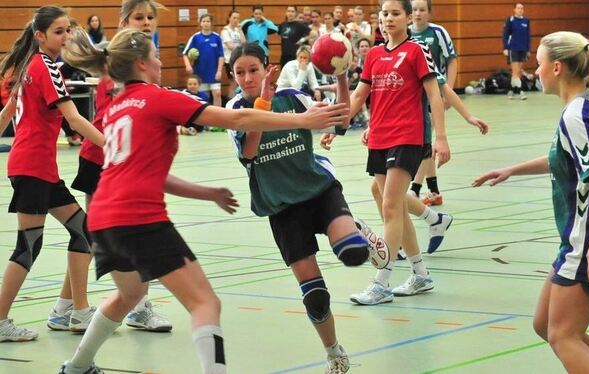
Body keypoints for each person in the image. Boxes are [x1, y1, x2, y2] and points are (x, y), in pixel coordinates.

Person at [57, 27, 349, 374]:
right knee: (205, 304)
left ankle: (76, 367)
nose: (160, 62)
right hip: (138, 217)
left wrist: (205, 192)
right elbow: (237, 118)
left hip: (103, 218)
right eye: (154, 55)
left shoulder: (118, 107)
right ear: (140, 64)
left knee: (128, 295)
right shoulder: (160, 98)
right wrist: (303, 119)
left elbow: (142, 173)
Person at [473, 31, 589, 373]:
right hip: (584, 239)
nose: (535, 71)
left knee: (563, 335)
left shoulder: (577, 115)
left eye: (539, 64)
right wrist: (513, 170)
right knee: (545, 324)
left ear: (557, 68)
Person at [227, 41, 387, 374]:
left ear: (267, 68)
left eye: (253, 70)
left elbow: (341, 119)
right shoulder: (235, 111)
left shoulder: (293, 98)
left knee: (353, 254)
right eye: (240, 72)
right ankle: (334, 352)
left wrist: (342, 76)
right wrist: (265, 102)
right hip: (281, 206)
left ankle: (358, 231)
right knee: (316, 296)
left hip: (318, 191)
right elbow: (250, 151)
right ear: (233, 76)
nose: (247, 77)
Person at [48, 0, 175, 336]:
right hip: (104, 160)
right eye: (138, 17)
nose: (146, 22)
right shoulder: (119, 67)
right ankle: (138, 308)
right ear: (123, 21)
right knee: (129, 235)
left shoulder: (139, 62)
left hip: (117, 160)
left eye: (150, 17)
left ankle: (64, 308)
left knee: (90, 238)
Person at [0, 5, 105, 342]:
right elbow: (74, 119)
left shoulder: (29, 65)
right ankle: (1, 320)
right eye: (58, 31)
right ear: (40, 35)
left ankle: (75, 311)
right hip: (33, 167)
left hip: (39, 167)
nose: (65, 37)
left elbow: (7, 111)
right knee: (28, 246)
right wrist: (116, 151)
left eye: (67, 30)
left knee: (85, 231)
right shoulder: (45, 67)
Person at [344, 0, 449, 305]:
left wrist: (440, 137)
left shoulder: (416, 51)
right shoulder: (374, 54)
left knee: (390, 205)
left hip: (407, 137)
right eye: (384, 14)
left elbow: (434, 94)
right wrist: (336, 125)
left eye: (395, 13)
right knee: (398, 208)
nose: (388, 19)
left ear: (406, 17)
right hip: (379, 137)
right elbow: (360, 95)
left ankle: (381, 282)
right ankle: (420, 274)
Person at [410, 0, 459, 206]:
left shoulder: (438, 32)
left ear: (429, 12)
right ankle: (434, 191)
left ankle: (414, 189)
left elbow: (451, 60)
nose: (418, 14)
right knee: (425, 142)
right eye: (414, 10)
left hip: (434, 93)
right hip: (414, 97)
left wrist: (448, 91)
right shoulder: (406, 33)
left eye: (422, 10)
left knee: (425, 142)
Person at [183, 13, 224, 108]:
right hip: (200, 72)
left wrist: (219, 71)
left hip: (213, 72)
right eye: (204, 21)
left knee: (217, 93)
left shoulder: (217, 37)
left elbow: (221, 56)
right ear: (200, 23)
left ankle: (219, 117)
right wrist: (188, 65)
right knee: (204, 96)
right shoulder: (196, 37)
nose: (206, 23)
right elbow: (185, 53)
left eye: (208, 21)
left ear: (211, 23)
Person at [503, 3, 531, 100]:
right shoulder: (510, 20)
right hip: (513, 48)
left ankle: (510, 90)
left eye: (522, 8)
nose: (520, 10)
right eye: (518, 8)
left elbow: (528, 36)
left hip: (523, 49)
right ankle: (521, 91)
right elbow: (505, 35)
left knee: (518, 72)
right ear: (514, 9)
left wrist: (528, 49)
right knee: (515, 72)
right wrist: (505, 48)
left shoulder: (526, 21)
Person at [222, 9, 246, 100]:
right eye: (234, 18)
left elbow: (244, 42)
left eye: (238, 18)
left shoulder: (237, 30)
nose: (236, 20)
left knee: (239, 82)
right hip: (230, 61)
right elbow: (230, 46)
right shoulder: (225, 31)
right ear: (229, 18)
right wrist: (241, 49)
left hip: (239, 60)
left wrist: (240, 30)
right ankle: (230, 101)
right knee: (233, 83)